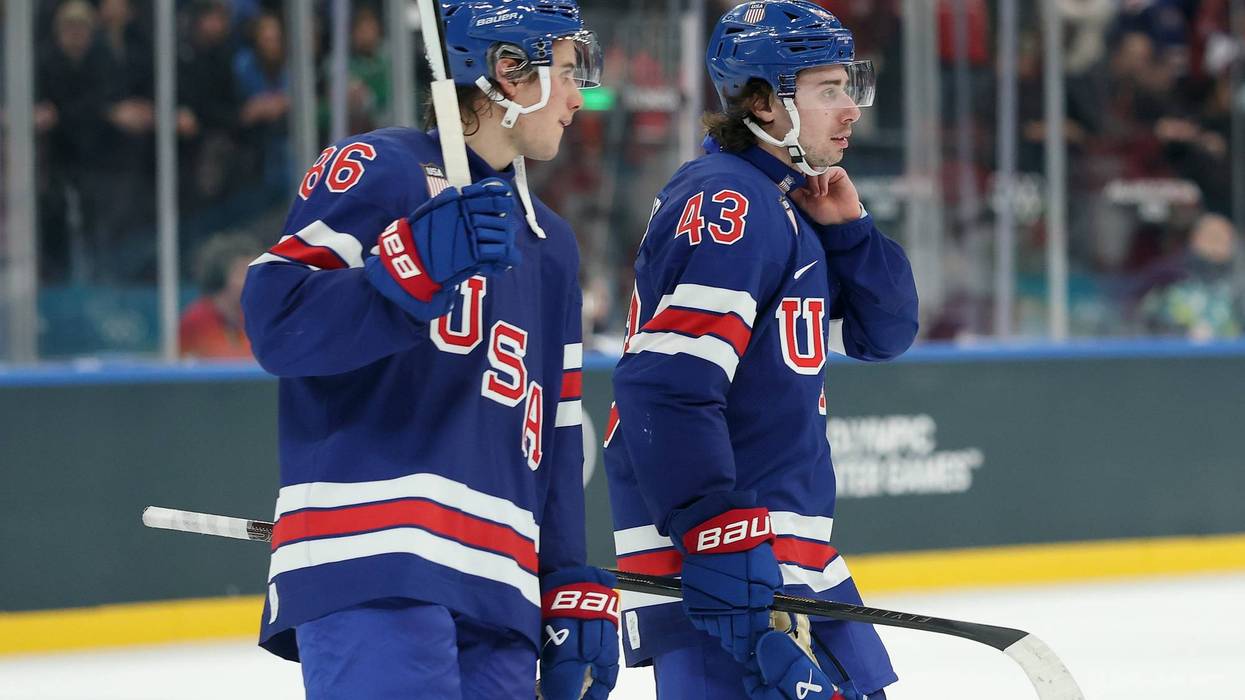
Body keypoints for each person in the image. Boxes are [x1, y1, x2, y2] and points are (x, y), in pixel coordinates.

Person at [240, 1, 618, 697]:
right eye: (565, 73)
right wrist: (405, 268)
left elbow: (558, 432)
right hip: (377, 557)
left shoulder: (549, 244)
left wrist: (565, 577)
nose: (576, 96)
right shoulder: (380, 168)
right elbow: (275, 320)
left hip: (499, 585)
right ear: (509, 72)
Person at [603, 2, 919, 698]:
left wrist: (852, 232)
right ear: (764, 104)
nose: (850, 110)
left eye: (848, 86)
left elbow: (885, 332)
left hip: (783, 561)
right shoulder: (731, 203)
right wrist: (716, 532)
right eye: (827, 90)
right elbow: (664, 388)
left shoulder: (787, 206)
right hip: (730, 570)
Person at [179, 232, 260, 359]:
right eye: (243, 273)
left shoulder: (255, 317)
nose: (254, 281)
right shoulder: (196, 319)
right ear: (221, 276)